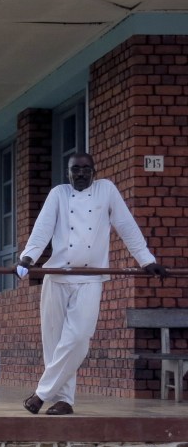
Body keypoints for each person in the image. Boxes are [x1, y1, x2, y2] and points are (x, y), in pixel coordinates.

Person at [15, 152, 167, 415]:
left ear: (94, 172)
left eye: (86, 169)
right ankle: (64, 400)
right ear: (68, 172)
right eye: (75, 169)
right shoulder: (58, 194)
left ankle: (41, 394)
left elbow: (126, 226)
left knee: (78, 338)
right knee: (54, 341)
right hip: (57, 275)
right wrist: (27, 258)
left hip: (90, 277)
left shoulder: (106, 190)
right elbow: (42, 229)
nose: (81, 174)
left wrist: (146, 260)